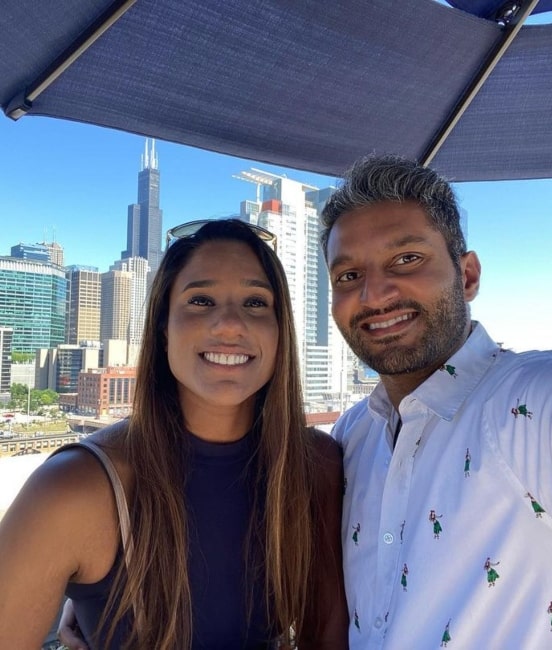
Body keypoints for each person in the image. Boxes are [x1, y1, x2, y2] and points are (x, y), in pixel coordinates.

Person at [319, 154, 552, 649]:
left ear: (467, 275)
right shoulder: (352, 436)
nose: (374, 294)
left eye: (406, 259)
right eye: (347, 276)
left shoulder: (540, 408)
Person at [0, 219, 348, 649]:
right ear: (163, 328)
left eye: (256, 303)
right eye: (200, 300)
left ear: (281, 331)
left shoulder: (317, 466)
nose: (229, 324)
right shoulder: (72, 490)